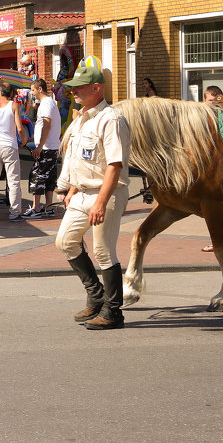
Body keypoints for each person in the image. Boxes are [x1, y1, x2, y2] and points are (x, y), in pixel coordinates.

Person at [55, 64, 131, 330]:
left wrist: (100, 201)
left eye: (78, 87)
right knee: (65, 241)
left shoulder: (111, 119)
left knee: (102, 250)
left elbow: (114, 164)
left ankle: (113, 312)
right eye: (72, 87)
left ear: (96, 88)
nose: (73, 91)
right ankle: (97, 295)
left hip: (106, 193)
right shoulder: (82, 118)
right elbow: (77, 158)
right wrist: (73, 188)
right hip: (82, 192)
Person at [200, 86, 223, 253]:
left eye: (217, 101)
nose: (214, 104)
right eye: (210, 101)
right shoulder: (199, 116)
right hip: (208, 168)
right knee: (214, 209)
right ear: (204, 100)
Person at [0, 78, 26, 221]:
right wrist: (24, 139)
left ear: (0, 92)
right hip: (9, 146)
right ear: (12, 93)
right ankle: (15, 213)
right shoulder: (14, 105)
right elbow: (20, 128)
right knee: (13, 181)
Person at [24, 78, 62, 218]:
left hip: (46, 147)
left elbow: (46, 125)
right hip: (51, 146)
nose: (32, 93)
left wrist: (39, 146)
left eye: (33, 90)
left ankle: (36, 208)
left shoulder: (46, 104)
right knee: (49, 177)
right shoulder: (51, 103)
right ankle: (48, 207)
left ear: (40, 89)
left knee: (37, 176)